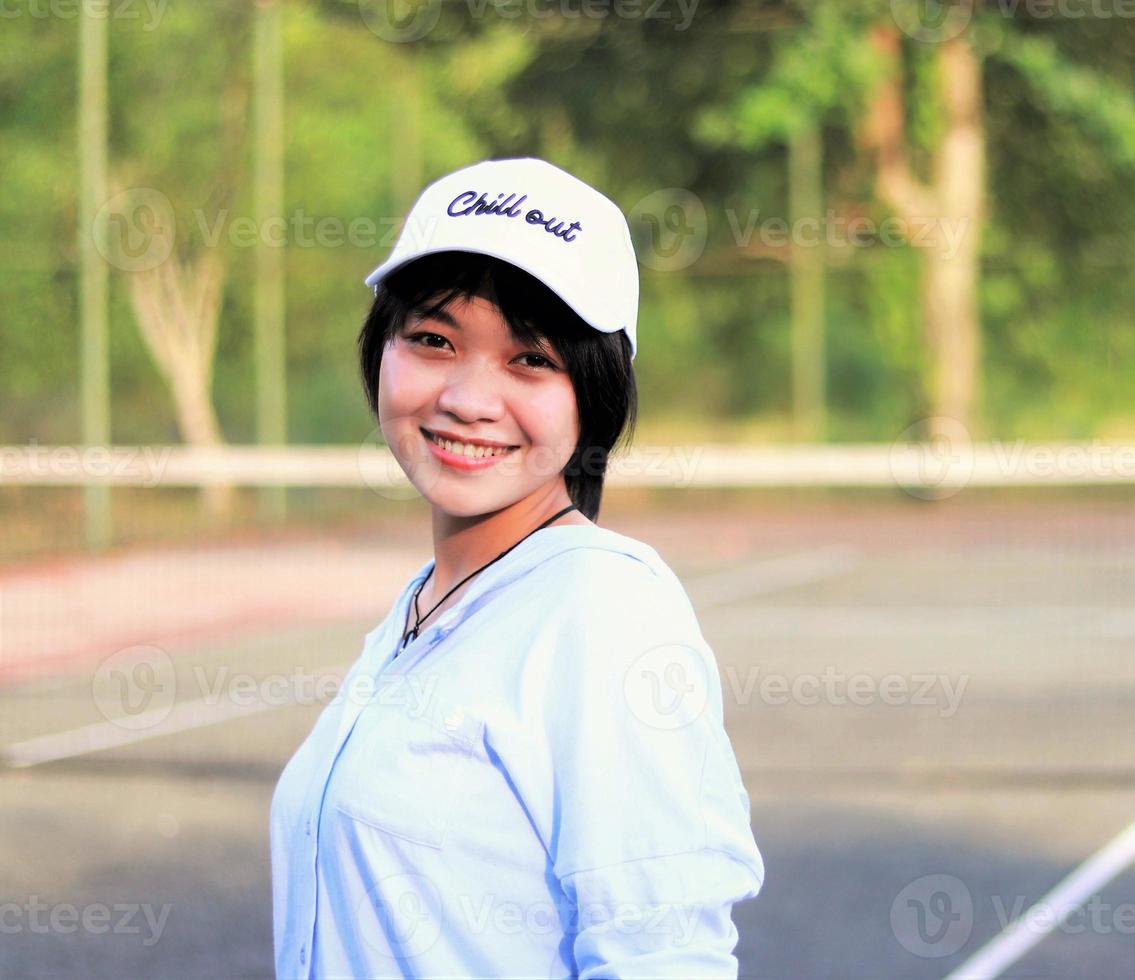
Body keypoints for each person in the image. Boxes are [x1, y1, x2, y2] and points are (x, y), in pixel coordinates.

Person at [269, 157, 764, 978]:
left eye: (529, 359)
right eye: (432, 340)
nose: (467, 397)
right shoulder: (426, 604)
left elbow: (663, 956)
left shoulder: (602, 612)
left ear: (593, 392)